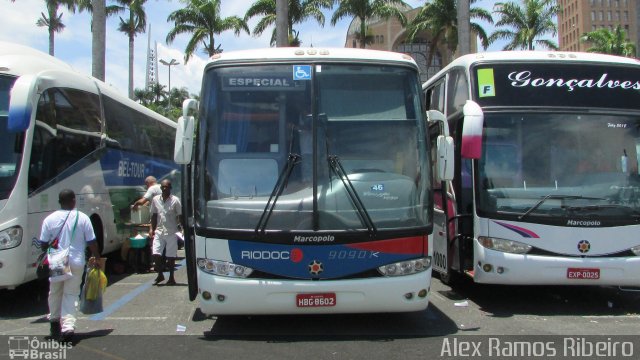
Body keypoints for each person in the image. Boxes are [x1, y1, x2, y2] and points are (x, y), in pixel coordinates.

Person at [39, 189, 101, 342]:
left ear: (59, 202)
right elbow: (92, 241)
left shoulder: (49, 219)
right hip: (76, 261)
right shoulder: (83, 217)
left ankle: (54, 325)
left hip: (58, 261)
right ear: (73, 200)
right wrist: (97, 257)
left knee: (55, 292)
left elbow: (43, 244)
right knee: (71, 293)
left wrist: (54, 247)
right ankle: (68, 327)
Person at [150, 179, 183, 285]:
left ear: (170, 188)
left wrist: (182, 228)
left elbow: (180, 215)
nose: (165, 188)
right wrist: (151, 228)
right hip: (159, 231)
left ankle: (171, 278)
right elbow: (154, 215)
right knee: (156, 253)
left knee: (171, 256)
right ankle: (160, 274)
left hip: (171, 231)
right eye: (163, 187)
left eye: (167, 187)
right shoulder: (155, 200)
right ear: (160, 188)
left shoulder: (175, 200)